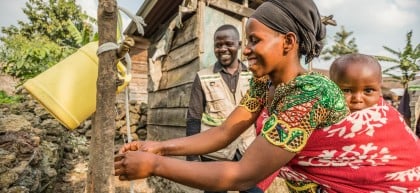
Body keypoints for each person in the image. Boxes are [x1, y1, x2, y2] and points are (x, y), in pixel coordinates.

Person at [114, 1, 420, 192]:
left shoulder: (310, 93)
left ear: (288, 41)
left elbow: (241, 175)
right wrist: (160, 148)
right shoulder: (264, 85)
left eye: (254, 40)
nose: (244, 49)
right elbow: (224, 132)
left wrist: (154, 166)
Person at [186, 24, 259, 193]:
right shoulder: (203, 77)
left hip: (247, 151)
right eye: (218, 45)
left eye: (228, 44)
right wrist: (192, 157)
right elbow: (193, 118)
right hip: (214, 154)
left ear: (239, 45)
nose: (223, 49)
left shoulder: (255, 75)